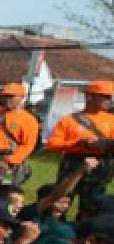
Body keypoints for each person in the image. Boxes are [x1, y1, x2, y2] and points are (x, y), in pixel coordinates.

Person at [45, 79, 114, 213]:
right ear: (89, 96)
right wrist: (78, 143)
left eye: (110, 97)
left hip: (99, 165)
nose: (109, 100)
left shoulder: (112, 120)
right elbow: (52, 144)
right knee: (60, 201)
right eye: (105, 96)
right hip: (73, 163)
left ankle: (85, 231)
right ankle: (56, 229)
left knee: (92, 205)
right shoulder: (69, 120)